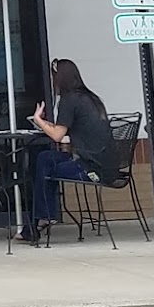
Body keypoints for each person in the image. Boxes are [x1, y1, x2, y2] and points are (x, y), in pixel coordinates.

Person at [21, 59, 114, 244]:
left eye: (53, 78)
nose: (52, 82)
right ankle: (38, 222)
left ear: (60, 78)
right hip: (105, 164)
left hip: (92, 168)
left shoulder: (69, 100)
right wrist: (45, 124)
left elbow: (57, 136)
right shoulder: (90, 98)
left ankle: (40, 221)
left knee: (46, 169)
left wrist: (39, 121)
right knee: (46, 158)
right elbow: (65, 130)